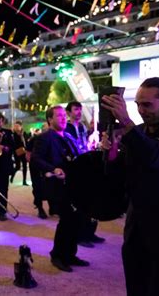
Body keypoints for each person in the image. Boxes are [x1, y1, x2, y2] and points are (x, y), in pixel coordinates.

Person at [100, 77, 159, 296]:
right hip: (136, 224)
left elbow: (157, 158)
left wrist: (127, 124)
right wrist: (110, 153)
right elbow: (121, 175)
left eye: (147, 104)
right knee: (136, 285)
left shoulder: (134, 132)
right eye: (137, 104)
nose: (140, 110)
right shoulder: (138, 132)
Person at [30, 106, 89, 272]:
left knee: (75, 220)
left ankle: (70, 255)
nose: (63, 118)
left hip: (73, 184)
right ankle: (57, 255)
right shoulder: (45, 137)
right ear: (50, 119)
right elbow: (35, 159)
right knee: (66, 220)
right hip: (57, 186)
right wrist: (53, 169)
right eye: (59, 116)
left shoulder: (69, 136)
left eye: (64, 115)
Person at [65, 101, 105, 248]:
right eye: (76, 109)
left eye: (80, 109)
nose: (79, 112)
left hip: (85, 164)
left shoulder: (81, 126)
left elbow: (84, 144)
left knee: (91, 201)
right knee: (80, 204)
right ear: (68, 112)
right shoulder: (66, 128)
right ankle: (81, 236)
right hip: (74, 167)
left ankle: (90, 233)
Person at [10, 120, 29, 185]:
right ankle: (12, 176)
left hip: (24, 151)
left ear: (21, 127)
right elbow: (13, 144)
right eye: (15, 126)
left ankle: (24, 181)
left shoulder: (24, 133)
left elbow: (26, 142)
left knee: (25, 166)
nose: (16, 127)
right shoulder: (13, 134)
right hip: (17, 152)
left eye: (18, 126)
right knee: (17, 167)